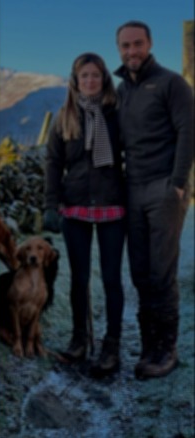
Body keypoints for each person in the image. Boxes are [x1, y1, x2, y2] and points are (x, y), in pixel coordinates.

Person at [113, 21, 193, 379]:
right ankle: (149, 345)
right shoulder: (122, 90)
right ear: (119, 49)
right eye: (126, 46)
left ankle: (166, 349)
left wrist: (177, 184)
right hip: (133, 190)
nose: (132, 51)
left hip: (164, 189)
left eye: (137, 44)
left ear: (149, 44)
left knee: (161, 273)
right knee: (141, 274)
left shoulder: (171, 83)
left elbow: (188, 131)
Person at [44, 53, 125, 378]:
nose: (90, 81)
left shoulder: (118, 116)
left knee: (111, 278)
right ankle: (80, 339)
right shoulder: (65, 118)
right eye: (84, 76)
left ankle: (112, 344)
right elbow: (52, 163)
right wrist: (51, 204)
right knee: (79, 279)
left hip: (113, 206)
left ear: (104, 79)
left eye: (95, 75)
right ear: (75, 81)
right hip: (75, 205)